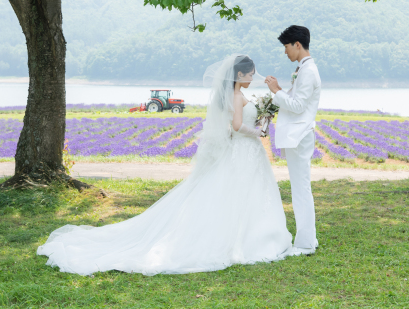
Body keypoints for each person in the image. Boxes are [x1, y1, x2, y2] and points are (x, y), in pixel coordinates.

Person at [37, 55, 292, 275]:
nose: (252, 77)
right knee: (240, 193)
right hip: (243, 149)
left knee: (241, 194)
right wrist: (259, 132)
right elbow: (236, 127)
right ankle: (245, 239)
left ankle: (251, 235)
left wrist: (262, 117)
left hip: (243, 152)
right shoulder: (237, 96)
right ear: (239, 74)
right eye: (249, 74)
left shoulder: (237, 95)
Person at [265, 25, 321, 256]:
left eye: (286, 47)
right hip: (298, 136)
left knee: (300, 189)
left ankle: (306, 243)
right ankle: (308, 240)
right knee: (300, 188)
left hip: (300, 136)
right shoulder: (303, 69)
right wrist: (278, 92)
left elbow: (297, 106)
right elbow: (296, 99)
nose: (285, 51)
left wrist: (276, 91)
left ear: (297, 45)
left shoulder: (308, 71)